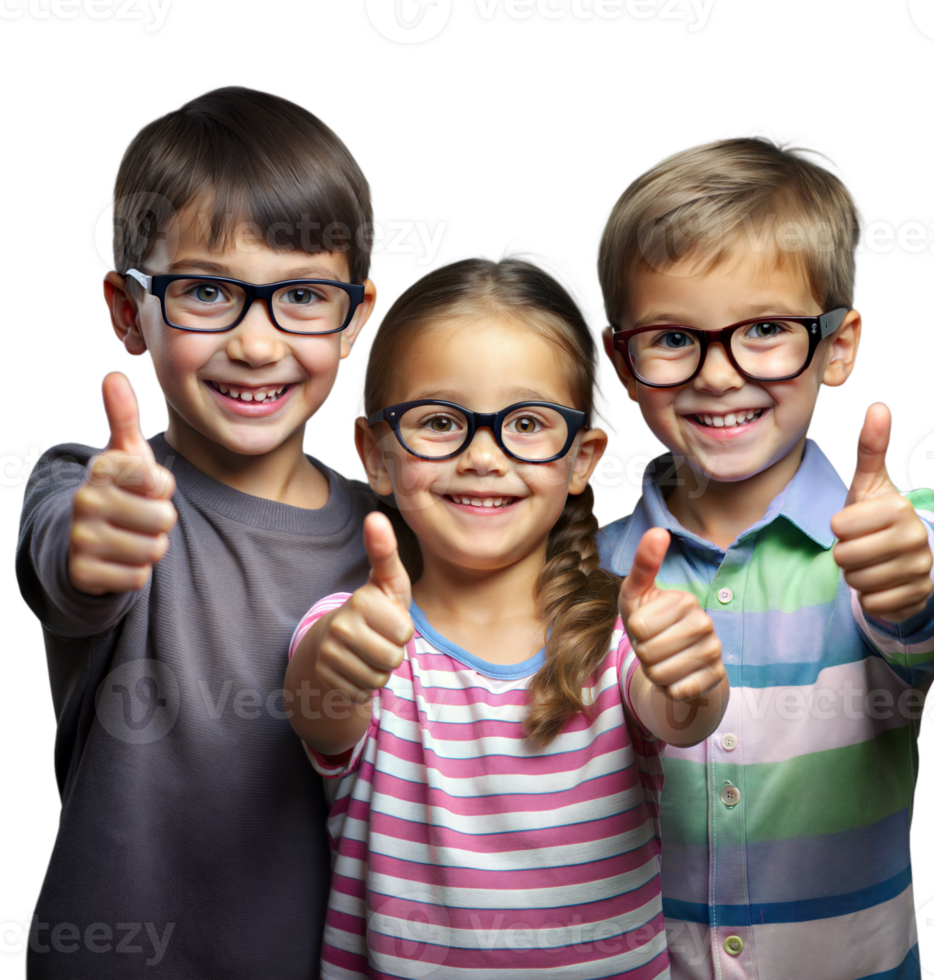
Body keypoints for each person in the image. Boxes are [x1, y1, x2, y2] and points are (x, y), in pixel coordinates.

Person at [591, 126, 934, 980]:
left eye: (765, 328)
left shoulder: (885, 531)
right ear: (622, 360)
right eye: (672, 336)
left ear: (838, 345)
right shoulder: (593, 570)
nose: (720, 373)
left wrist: (912, 571)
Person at [283, 238, 730, 979]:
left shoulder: (623, 637)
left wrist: (694, 683)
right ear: (375, 453)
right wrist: (339, 660)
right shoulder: (358, 630)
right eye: (438, 420)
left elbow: (682, 715)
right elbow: (320, 702)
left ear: (584, 457)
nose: (484, 456)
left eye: (526, 424)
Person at [14, 84, 380, 979]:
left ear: (358, 315)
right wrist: (100, 539)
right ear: (127, 311)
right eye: (208, 291)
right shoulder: (93, 483)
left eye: (301, 296)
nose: (257, 345)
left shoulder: (389, 533)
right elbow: (70, 560)